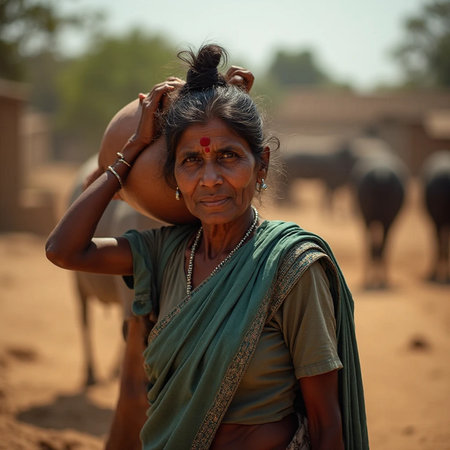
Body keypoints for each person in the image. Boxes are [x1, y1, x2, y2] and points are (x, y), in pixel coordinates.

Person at [46, 44, 368, 449]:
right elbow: (63, 251)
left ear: (262, 164)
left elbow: (326, 425)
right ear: (174, 177)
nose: (210, 179)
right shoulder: (162, 253)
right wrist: (130, 149)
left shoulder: (289, 266)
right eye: (191, 162)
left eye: (229, 156)